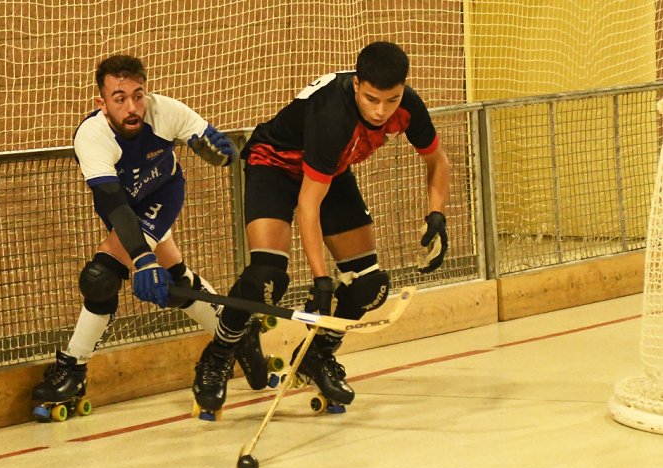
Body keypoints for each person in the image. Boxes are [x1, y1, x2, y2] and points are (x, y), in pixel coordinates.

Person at [192, 41, 451, 413]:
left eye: (391, 100)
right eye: (372, 99)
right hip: (275, 164)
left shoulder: (408, 105)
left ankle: (317, 354)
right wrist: (321, 281)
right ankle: (218, 356)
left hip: (329, 172)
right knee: (266, 277)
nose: (381, 112)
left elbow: (438, 161)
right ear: (357, 84)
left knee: (369, 285)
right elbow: (307, 206)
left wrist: (437, 215)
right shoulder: (334, 115)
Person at [31, 55, 273, 414]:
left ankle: (73, 368)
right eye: (120, 98)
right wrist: (144, 259)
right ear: (102, 103)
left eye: (138, 95)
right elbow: (113, 203)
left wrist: (221, 152)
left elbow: (209, 138)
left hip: (163, 195)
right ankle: (237, 333)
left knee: (100, 278)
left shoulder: (164, 111)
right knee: (176, 283)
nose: (132, 107)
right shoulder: (93, 136)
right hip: (121, 205)